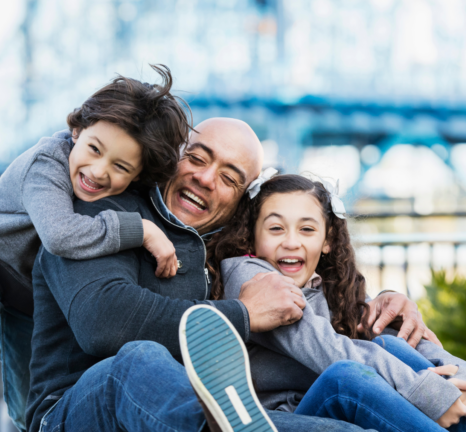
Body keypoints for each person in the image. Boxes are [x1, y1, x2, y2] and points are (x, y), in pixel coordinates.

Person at [26, 117, 441, 432]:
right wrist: (241, 314)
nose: (205, 179)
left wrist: (378, 306)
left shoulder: (224, 256)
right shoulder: (102, 213)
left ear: (240, 202)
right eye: (197, 157)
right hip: (76, 409)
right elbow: (104, 322)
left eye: (228, 178)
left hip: (220, 409)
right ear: (172, 157)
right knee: (138, 359)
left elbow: (315, 329)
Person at [0, 65, 192, 432]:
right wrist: (140, 230)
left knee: (30, 385)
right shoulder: (47, 163)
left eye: (120, 166)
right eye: (94, 148)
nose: (98, 170)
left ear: (137, 177)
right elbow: (60, 235)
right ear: (76, 130)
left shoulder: (115, 191)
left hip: (24, 280)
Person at [207, 173, 466, 431]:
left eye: (307, 229)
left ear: (327, 241)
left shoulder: (333, 289)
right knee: (344, 377)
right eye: (275, 229)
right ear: (252, 237)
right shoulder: (252, 279)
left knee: (392, 345)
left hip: (338, 415)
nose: (291, 241)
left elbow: (413, 345)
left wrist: (462, 382)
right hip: (285, 421)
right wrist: (423, 392)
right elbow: (331, 350)